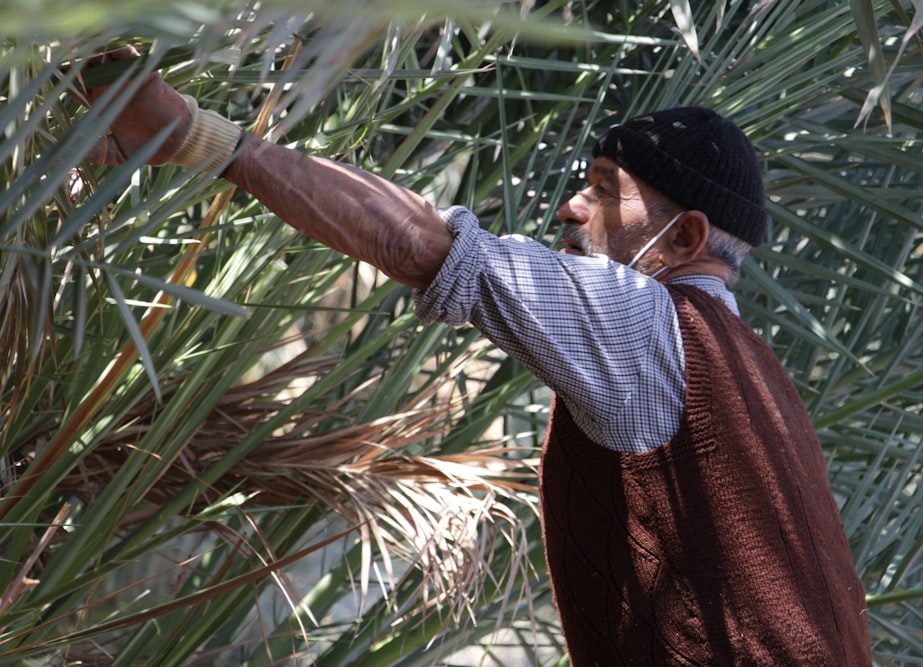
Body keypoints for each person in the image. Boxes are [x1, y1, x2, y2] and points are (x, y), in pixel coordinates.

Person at [78, 46, 873, 665]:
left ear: (687, 237)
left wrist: (201, 137)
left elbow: (422, 243)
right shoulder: (765, 383)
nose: (570, 206)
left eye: (604, 188)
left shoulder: (646, 319)